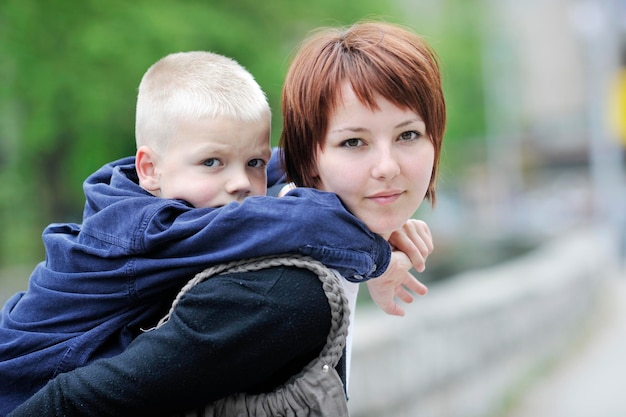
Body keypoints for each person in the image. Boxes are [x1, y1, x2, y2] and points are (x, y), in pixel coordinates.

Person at [8, 20, 445, 416]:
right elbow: (74, 402)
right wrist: (376, 254)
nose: (386, 167)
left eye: (408, 134)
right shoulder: (161, 236)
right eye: (353, 143)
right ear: (149, 169)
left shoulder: (191, 190)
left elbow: (267, 173)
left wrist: (373, 222)